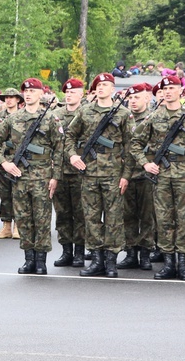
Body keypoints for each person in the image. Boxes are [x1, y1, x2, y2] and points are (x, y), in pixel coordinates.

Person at [131, 76, 185, 281]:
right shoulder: (155, 117)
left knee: (184, 218)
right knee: (164, 218)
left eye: (172, 88)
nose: (167, 91)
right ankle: (168, 263)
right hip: (162, 175)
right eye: (165, 89)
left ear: (180, 91)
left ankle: (183, 264)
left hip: (184, 173)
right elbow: (135, 142)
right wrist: (145, 163)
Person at [0, 78, 63, 275]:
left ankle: (41, 260)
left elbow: (59, 149)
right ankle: (28, 258)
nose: (29, 93)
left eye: (33, 90)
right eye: (26, 91)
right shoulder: (14, 119)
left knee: (42, 219)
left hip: (42, 177)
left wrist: (55, 176)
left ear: (41, 94)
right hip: (20, 177)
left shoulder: (50, 119)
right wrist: (4, 163)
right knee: (23, 219)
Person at [65, 73, 131, 278]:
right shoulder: (85, 112)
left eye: (106, 85)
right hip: (89, 172)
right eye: (98, 85)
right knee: (91, 217)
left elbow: (130, 146)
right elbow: (69, 135)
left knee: (114, 218)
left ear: (113, 89)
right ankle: (96, 259)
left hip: (113, 173)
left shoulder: (122, 113)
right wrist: (73, 156)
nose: (102, 88)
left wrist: (126, 175)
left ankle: (111, 260)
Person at [119, 82, 156, 271]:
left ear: (147, 98)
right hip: (127, 173)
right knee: (128, 215)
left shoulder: (154, 118)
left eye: (136, 97)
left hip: (146, 174)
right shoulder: (125, 118)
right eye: (130, 97)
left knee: (147, 216)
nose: (132, 101)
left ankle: (146, 253)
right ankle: (131, 252)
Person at [51, 78, 86, 267]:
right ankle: (66, 251)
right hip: (60, 170)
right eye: (67, 92)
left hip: (81, 171)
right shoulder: (55, 115)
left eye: (74, 92)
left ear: (82, 94)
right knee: (62, 213)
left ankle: (80, 251)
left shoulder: (87, 113)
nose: (69, 94)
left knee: (81, 214)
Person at [0, 88, 24, 240]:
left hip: (19, 161)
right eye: (6, 97)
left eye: (12, 97)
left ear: (18, 99)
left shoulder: (23, 116)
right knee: (4, 195)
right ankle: (6, 226)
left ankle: (18, 226)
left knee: (18, 194)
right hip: (3, 161)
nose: (9, 100)